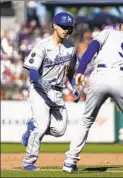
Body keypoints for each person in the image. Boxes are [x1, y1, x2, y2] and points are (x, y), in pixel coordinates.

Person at [63, 14, 123, 175]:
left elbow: (92, 48)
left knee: (86, 120)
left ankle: (69, 161)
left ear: (122, 26)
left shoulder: (109, 32)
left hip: (100, 74)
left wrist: (80, 71)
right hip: (122, 78)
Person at [21, 12, 80, 171]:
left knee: (59, 130)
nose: (67, 30)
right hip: (40, 90)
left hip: (58, 91)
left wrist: (74, 87)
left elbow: (70, 72)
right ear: (54, 25)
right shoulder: (42, 45)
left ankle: (32, 128)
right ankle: (28, 162)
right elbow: (32, 70)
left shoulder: (71, 47)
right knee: (41, 126)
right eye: (63, 27)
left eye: (69, 28)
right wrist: (43, 84)